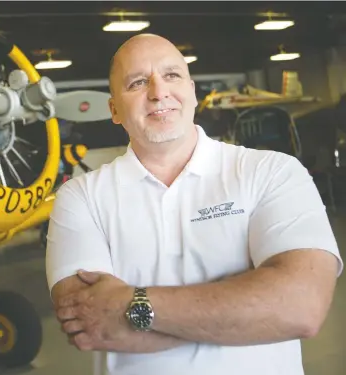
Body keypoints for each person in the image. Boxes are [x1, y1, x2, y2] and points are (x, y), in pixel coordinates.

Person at [45, 33, 343, 375]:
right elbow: (91, 323)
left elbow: (299, 307)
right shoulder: (79, 198)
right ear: (114, 109)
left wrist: (131, 305)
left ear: (193, 92)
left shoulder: (272, 171)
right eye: (138, 82)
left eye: (172, 75)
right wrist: (250, 314)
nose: (159, 92)